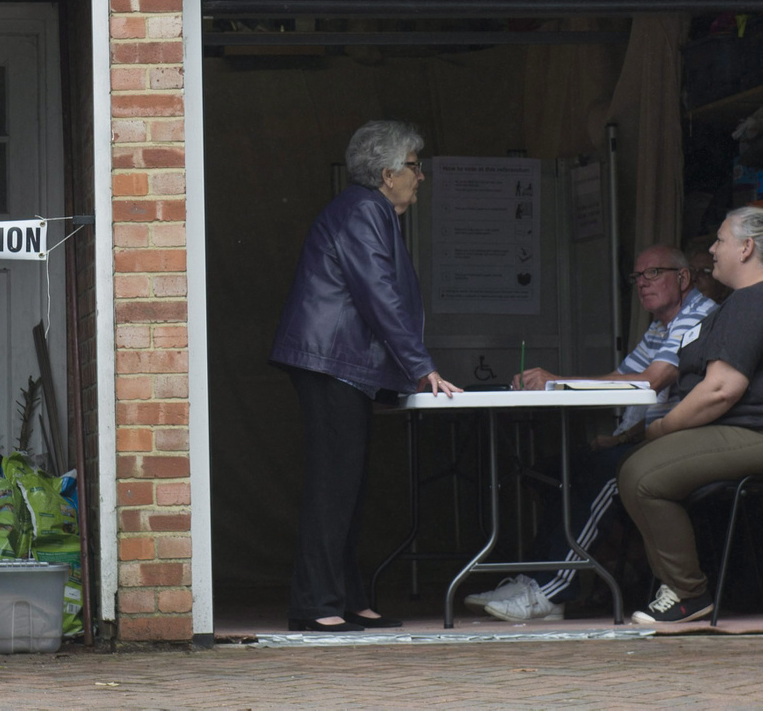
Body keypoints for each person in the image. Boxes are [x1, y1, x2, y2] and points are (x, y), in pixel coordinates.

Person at [270, 120, 461, 633]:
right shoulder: (363, 210)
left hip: (337, 363)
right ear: (387, 173)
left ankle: (347, 599)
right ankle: (316, 605)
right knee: (335, 487)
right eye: (414, 167)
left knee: (346, 486)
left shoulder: (370, 211)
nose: (420, 177)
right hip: (332, 362)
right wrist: (422, 368)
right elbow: (378, 293)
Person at [471, 245, 720, 623]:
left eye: (653, 273)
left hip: (679, 445)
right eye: (637, 277)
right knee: (559, 471)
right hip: (648, 437)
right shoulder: (661, 324)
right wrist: (618, 435)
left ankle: (552, 592)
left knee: (605, 473)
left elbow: (652, 381)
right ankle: (536, 579)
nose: (642, 284)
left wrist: (558, 380)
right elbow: (623, 380)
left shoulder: (698, 316)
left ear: (682, 278)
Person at [617, 206, 763, 624]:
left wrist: (662, 427)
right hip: (757, 431)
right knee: (635, 470)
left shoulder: (757, 301)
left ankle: (687, 594)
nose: (712, 250)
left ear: (746, 248)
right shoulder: (744, 301)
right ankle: (677, 588)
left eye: (719, 240)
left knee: (643, 476)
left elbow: (720, 390)